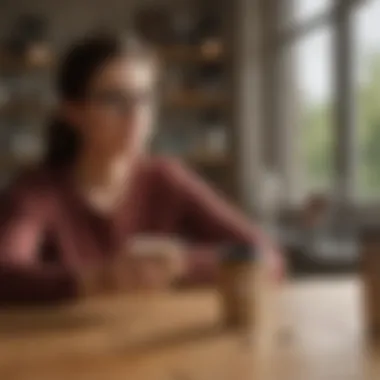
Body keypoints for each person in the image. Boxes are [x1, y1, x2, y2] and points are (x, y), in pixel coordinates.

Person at [0, 33, 283, 305]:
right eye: (113, 99)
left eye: (144, 98)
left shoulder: (167, 178)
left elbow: (267, 259)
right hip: (61, 349)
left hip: (154, 346)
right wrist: (98, 280)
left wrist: (182, 264)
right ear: (73, 112)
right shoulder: (38, 192)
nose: (136, 115)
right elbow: (5, 273)